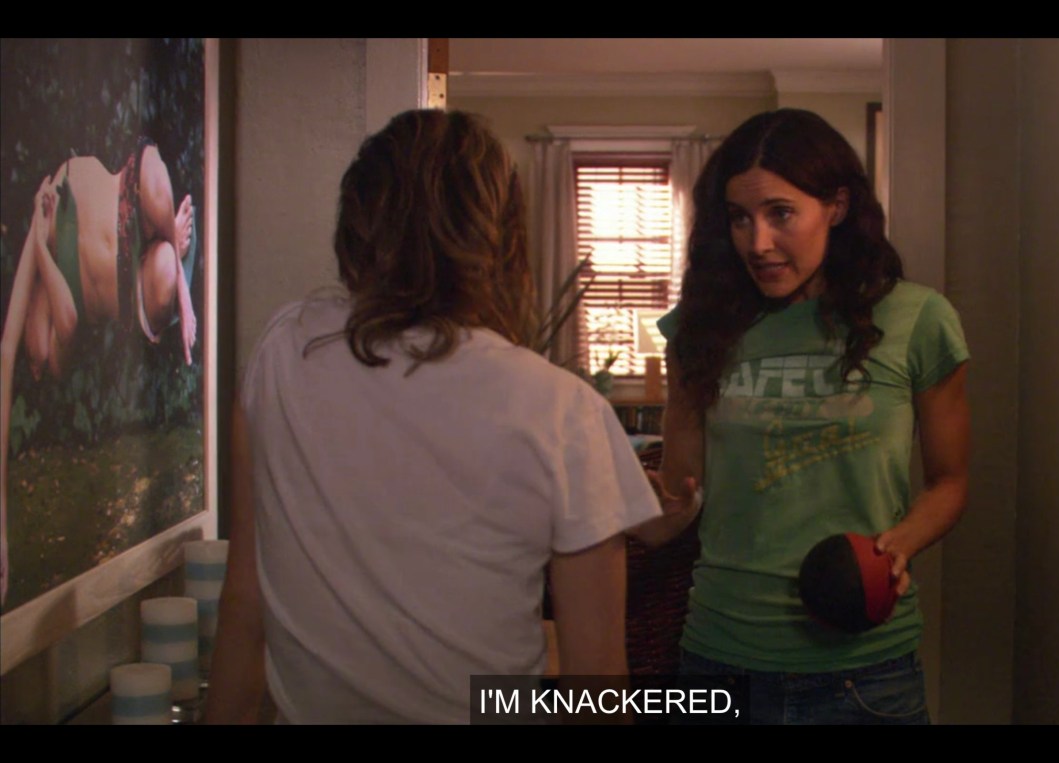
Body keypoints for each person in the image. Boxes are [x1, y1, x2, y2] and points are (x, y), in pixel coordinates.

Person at [205, 110, 661, 724]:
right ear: (497, 238)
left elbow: (245, 599)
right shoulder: (563, 410)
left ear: (359, 222)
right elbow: (597, 686)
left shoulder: (283, 351)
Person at [632, 109, 971, 725]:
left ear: (836, 207)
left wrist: (899, 546)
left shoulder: (918, 320)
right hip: (718, 661)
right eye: (739, 218)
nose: (757, 242)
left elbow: (949, 480)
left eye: (780, 213)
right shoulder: (700, 330)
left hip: (865, 674)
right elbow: (679, 498)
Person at [0, 140, 197, 605]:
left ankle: (171, 237)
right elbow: (64, 318)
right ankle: (174, 248)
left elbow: (7, 351)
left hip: (129, 196)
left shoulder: (42, 220)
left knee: (150, 169)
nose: (35, 357)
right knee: (168, 265)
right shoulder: (59, 336)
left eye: (37, 355)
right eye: (39, 361)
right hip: (139, 285)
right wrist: (45, 249)